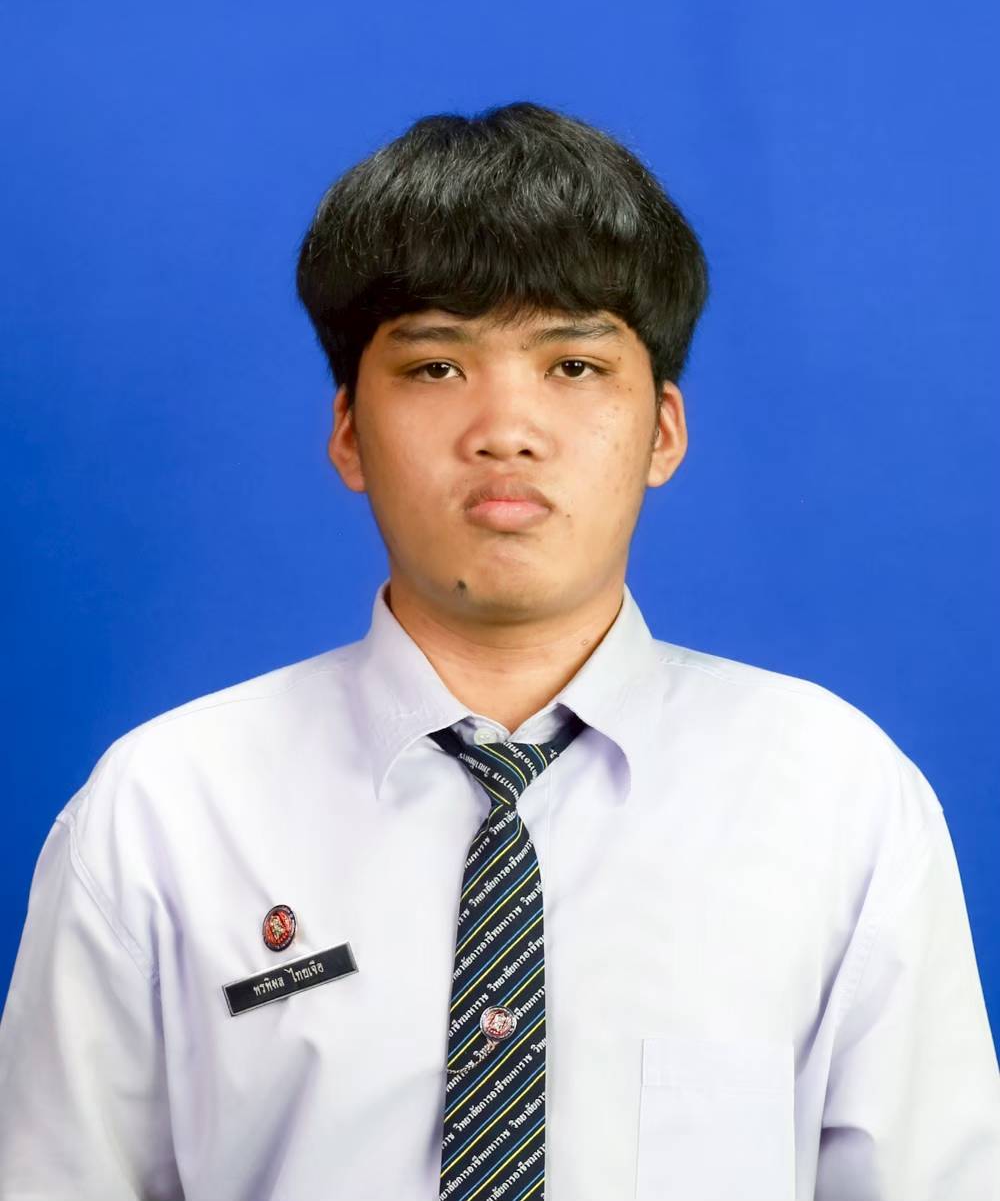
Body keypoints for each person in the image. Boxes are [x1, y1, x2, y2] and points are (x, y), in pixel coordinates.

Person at [0, 102, 997, 1201]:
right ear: (348, 432)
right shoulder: (163, 813)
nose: (505, 430)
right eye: (436, 367)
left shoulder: (838, 799)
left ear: (663, 430)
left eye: (573, 365)